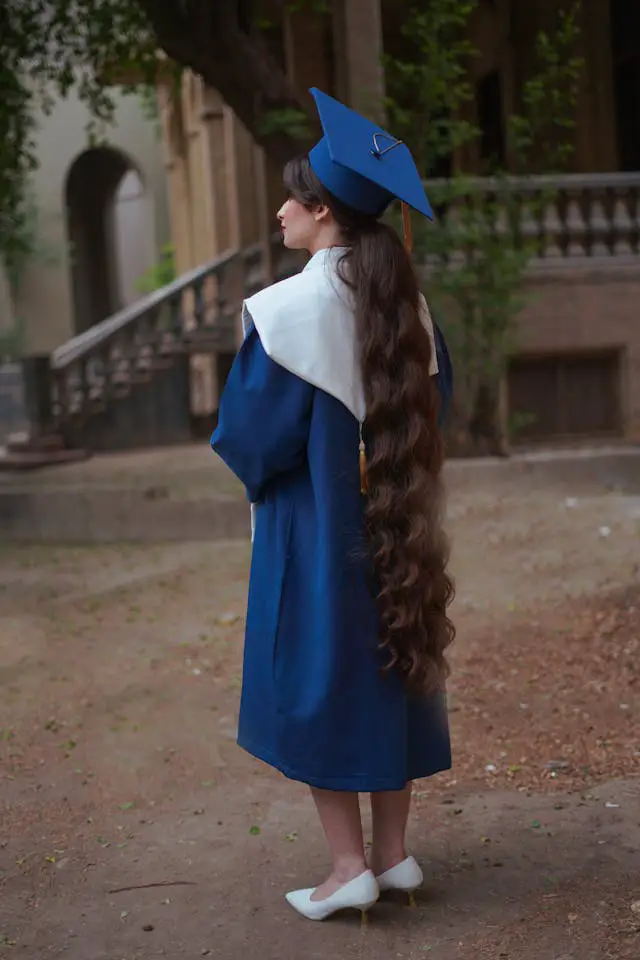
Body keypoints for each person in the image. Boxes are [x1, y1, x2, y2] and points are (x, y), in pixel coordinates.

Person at [211, 87, 455, 923]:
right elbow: (435, 411)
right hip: (399, 523)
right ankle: (394, 855)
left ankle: (347, 865)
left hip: (314, 536)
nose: (280, 210)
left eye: (292, 198)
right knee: (397, 660)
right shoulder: (408, 309)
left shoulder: (285, 315)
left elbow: (249, 439)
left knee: (320, 676)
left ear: (321, 213)